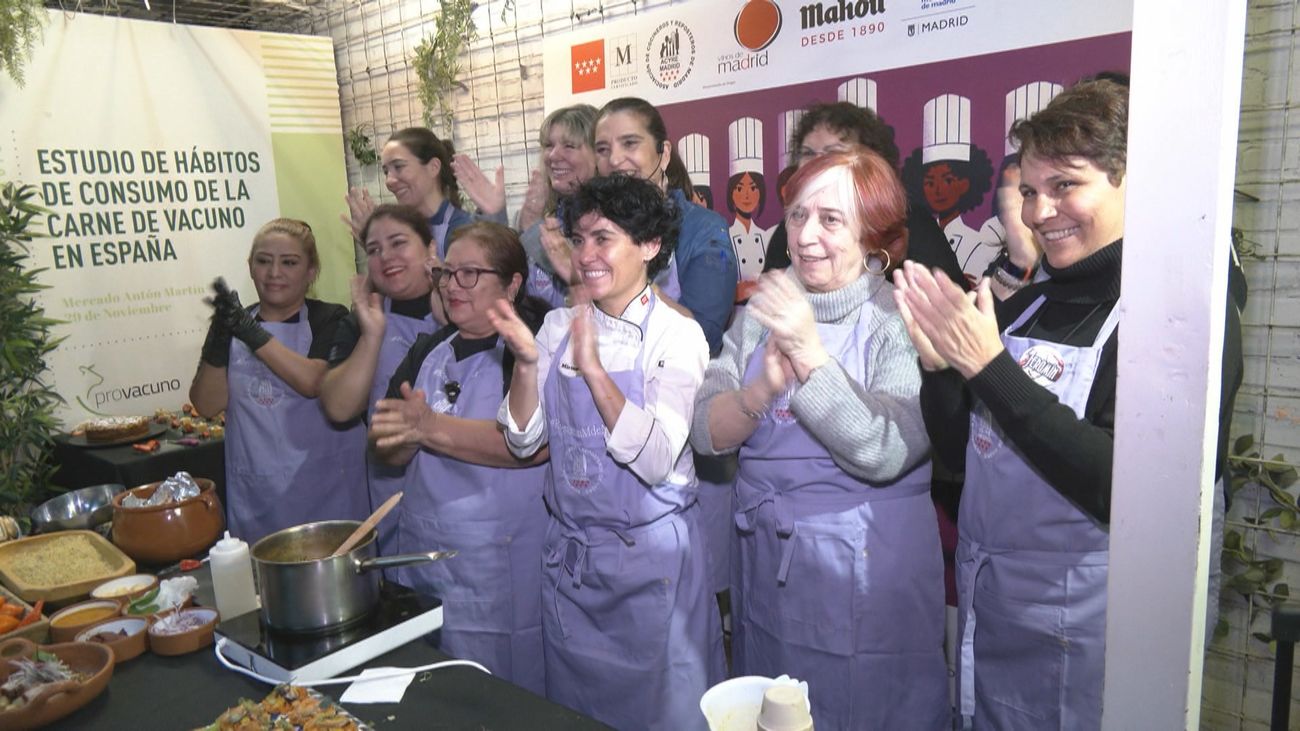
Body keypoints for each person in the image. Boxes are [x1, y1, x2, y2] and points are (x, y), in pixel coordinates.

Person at [893, 77, 1135, 728]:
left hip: (1082, 627)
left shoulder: (1153, 319)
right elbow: (961, 459)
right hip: (991, 610)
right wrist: (939, 367)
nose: (1039, 211)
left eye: (1066, 185)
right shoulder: (1025, 304)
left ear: (1128, 181)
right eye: (1030, 190)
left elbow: (1123, 487)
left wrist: (987, 365)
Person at [690, 147, 948, 730]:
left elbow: (886, 450)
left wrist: (808, 354)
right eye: (799, 215)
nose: (806, 236)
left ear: (874, 235)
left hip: (863, 573)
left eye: (831, 220)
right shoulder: (763, 310)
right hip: (769, 566)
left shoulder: (898, 318)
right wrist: (757, 393)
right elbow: (706, 432)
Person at [489, 174, 723, 731]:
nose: (586, 254)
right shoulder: (554, 326)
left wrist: (593, 370)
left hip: (651, 568)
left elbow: (656, 456)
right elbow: (523, 441)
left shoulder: (677, 334)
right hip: (575, 567)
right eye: (580, 238)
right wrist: (525, 365)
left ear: (648, 247)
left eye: (604, 239)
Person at [369, 222, 550, 694]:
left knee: (503, 691)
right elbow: (384, 441)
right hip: (428, 551)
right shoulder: (430, 348)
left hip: (500, 559)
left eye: (469, 274)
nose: (452, 286)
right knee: (438, 688)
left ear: (512, 283)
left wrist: (428, 427)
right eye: (447, 273)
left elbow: (528, 447)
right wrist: (405, 438)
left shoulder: (533, 349)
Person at [190, 218, 367, 543]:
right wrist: (219, 338)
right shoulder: (236, 322)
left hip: (327, 491)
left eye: (289, 263)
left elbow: (313, 381)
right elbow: (207, 403)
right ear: (251, 267)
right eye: (264, 261)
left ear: (311, 271)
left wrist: (250, 333)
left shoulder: (331, 318)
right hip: (259, 495)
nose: (274, 273)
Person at [320, 204, 440, 554]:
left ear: (430, 249)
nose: (386, 256)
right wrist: (372, 337)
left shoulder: (465, 307)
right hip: (393, 493)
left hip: (459, 489)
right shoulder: (359, 321)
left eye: (398, 242)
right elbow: (340, 407)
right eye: (373, 250)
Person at [763, 101, 967, 288]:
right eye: (807, 153)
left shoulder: (912, 224)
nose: (817, 163)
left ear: (869, 163)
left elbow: (954, 313)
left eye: (832, 152)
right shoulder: (793, 226)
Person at [590, 97, 737, 356]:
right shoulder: (590, 229)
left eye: (630, 143)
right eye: (602, 149)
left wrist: (632, 288)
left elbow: (704, 335)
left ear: (664, 153)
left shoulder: (705, 229)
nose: (613, 159)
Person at [515, 104, 600, 309]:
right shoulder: (542, 216)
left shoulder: (616, 221)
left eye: (569, 146)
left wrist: (532, 229)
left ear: (599, 154)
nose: (553, 156)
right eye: (548, 145)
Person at [343, 127, 472, 262]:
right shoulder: (403, 229)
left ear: (433, 167)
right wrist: (376, 244)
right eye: (386, 172)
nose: (389, 181)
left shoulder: (464, 230)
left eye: (399, 167)